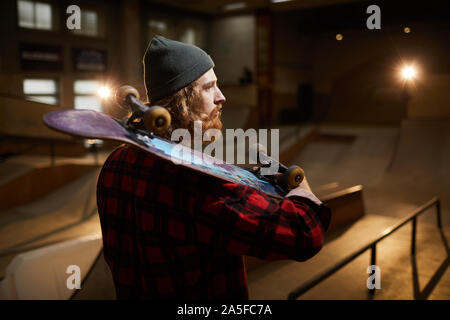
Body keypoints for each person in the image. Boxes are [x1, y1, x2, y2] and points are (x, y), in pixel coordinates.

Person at [96, 36, 331, 299]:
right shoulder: (198, 180)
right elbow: (306, 233)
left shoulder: (114, 164)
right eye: (209, 88)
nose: (222, 97)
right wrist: (300, 189)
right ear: (182, 100)